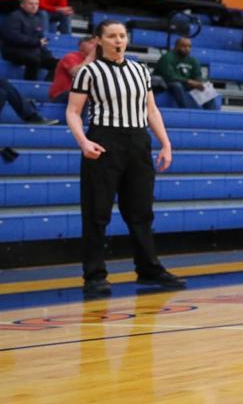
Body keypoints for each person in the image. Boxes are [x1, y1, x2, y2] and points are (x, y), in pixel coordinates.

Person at [65, 20, 186, 296]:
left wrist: (165, 144)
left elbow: (151, 110)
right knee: (97, 212)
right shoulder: (88, 72)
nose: (118, 40)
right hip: (103, 141)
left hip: (138, 142)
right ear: (99, 40)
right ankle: (94, 275)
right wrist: (83, 141)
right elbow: (73, 111)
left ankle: (148, 269)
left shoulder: (140, 70)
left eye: (122, 36)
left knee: (141, 211)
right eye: (111, 36)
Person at [154, 35, 221, 110]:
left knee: (205, 87)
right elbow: (169, 76)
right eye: (184, 46)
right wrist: (188, 81)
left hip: (186, 84)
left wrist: (200, 83)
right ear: (176, 46)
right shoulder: (167, 57)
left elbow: (197, 75)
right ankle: (186, 111)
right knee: (177, 85)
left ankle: (211, 114)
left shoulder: (193, 60)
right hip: (166, 83)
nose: (187, 49)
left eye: (189, 46)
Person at [2, 0, 58, 81]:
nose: (34, 6)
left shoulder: (37, 19)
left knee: (57, 63)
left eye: (36, 4)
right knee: (34, 60)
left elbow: (41, 39)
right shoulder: (14, 16)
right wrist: (36, 42)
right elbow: (14, 37)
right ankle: (30, 84)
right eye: (31, 4)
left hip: (31, 50)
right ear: (22, 4)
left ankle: (47, 86)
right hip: (13, 51)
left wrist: (48, 55)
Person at [51, 33, 99, 103]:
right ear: (81, 45)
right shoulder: (70, 57)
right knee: (85, 93)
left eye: (96, 45)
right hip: (61, 94)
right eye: (91, 43)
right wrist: (90, 57)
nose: (95, 46)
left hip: (81, 94)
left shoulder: (97, 62)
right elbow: (77, 74)